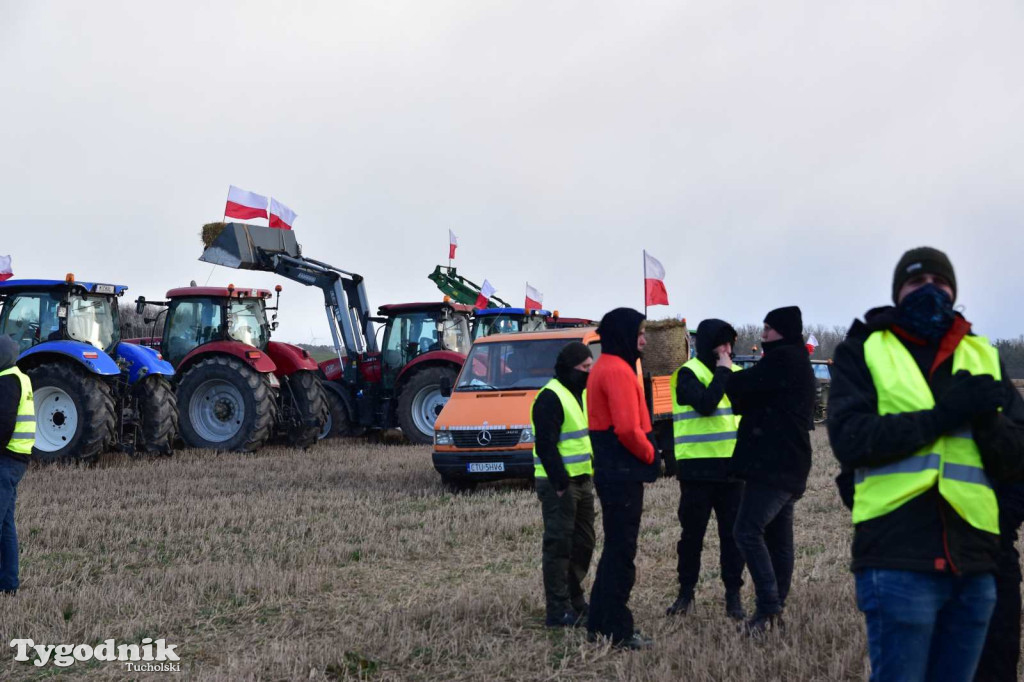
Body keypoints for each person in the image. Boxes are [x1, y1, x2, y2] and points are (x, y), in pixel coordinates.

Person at [827, 247, 1024, 682]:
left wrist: (987, 425)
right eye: (917, 283)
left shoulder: (982, 355)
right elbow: (851, 438)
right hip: (899, 558)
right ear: (898, 292)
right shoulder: (863, 350)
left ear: (954, 291)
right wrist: (942, 415)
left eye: (940, 283)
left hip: (975, 562)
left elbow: (1019, 457)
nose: (930, 290)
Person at [726, 306, 815, 635]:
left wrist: (725, 369)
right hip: (788, 463)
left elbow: (743, 387)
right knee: (779, 540)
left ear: (783, 331)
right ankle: (775, 608)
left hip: (774, 465)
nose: (763, 335)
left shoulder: (783, 360)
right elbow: (753, 399)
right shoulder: (795, 361)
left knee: (746, 531)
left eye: (768, 329)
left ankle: (768, 608)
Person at [586, 308, 658, 649]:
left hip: (613, 472)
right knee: (621, 553)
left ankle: (599, 621)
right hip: (622, 472)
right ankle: (616, 628)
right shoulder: (616, 370)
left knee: (616, 549)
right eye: (639, 332)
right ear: (624, 334)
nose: (644, 338)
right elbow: (628, 429)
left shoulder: (609, 365)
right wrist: (651, 456)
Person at [666, 319, 746, 620]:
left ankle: (733, 597)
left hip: (732, 471)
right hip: (696, 473)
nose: (727, 351)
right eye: (721, 344)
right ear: (707, 344)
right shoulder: (687, 374)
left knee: (733, 538)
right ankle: (685, 594)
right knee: (691, 538)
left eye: (730, 345)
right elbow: (706, 404)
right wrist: (724, 373)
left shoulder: (737, 374)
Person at [531, 341, 596, 628]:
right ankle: (558, 611)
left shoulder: (578, 394)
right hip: (561, 485)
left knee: (584, 543)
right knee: (558, 547)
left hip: (583, 481)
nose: (589, 373)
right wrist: (560, 484)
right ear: (570, 369)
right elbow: (546, 445)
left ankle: (574, 597)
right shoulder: (550, 397)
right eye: (585, 368)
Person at [0, 334, 33, 596]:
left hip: (5, 459)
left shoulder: (7, 381)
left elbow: (3, 423)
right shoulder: (21, 377)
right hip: (16, 459)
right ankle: (8, 583)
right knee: (6, 524)